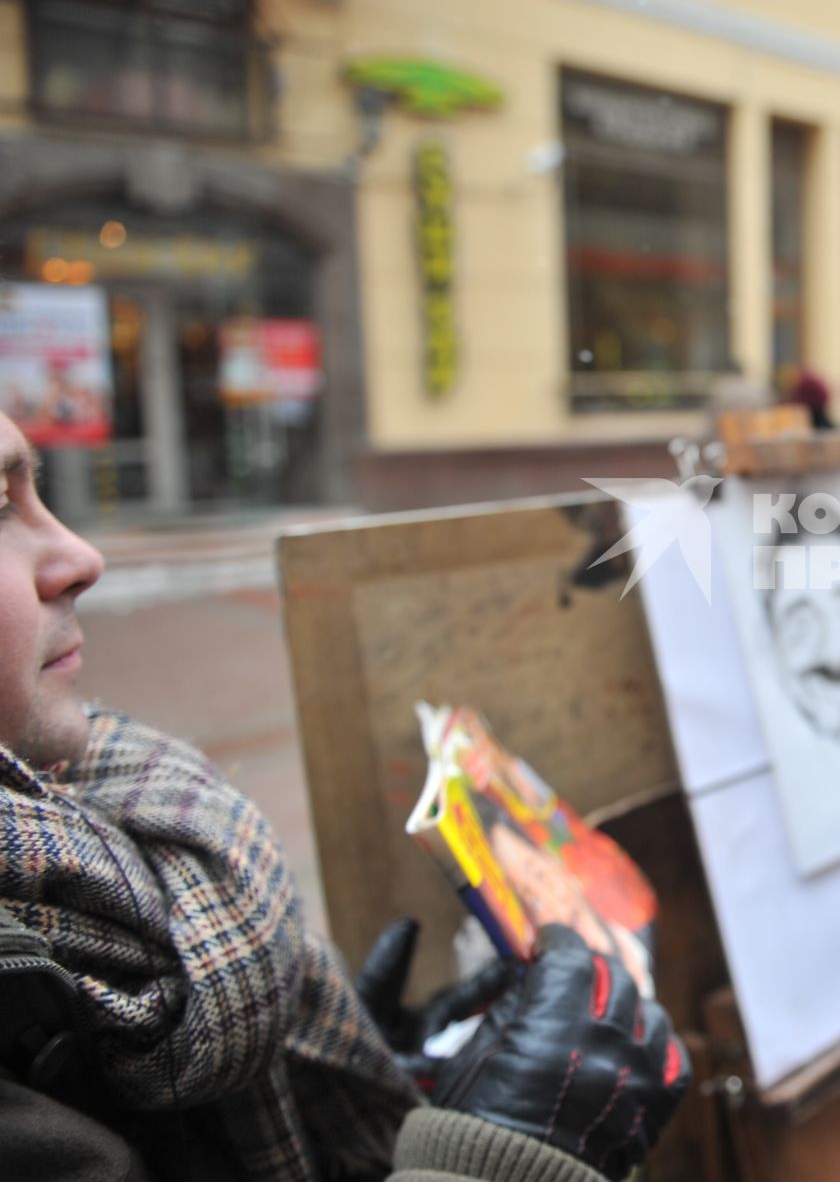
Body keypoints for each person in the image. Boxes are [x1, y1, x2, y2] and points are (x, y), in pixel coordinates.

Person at [0, 409, 688, 1182]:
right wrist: (502, 1158)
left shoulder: (88, 816)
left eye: (38, 493)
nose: (80, 555)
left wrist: (370, 1060)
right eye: (0, 507)